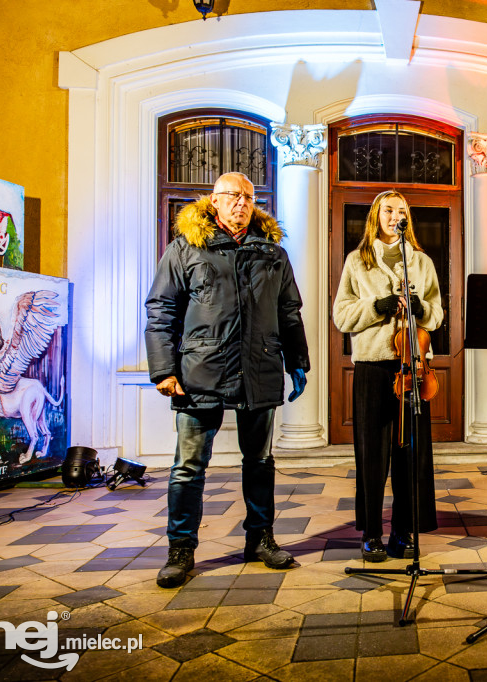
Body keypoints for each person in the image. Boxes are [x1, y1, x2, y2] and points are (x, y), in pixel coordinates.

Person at [145, 172, 310, 588]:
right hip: (199, 373)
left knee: (259, 462)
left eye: (248, 197)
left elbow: (290, 312)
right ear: (214, 201)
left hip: (260, 368)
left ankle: (260, 539)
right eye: (233, 196)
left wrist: (298, 361)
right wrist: (163, 370)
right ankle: (180, 549)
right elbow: (161, 310)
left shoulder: (272, 254)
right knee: (189, 466)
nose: (241, 203)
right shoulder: (185, 249)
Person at [332, 190, 444, 562]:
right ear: (376, 215)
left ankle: (403, 530)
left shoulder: (421, 261)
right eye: (388, 209)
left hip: (412, 366)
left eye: (401, 210)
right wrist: (375, 306)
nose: (395, 215)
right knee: (373, 455)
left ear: (407, 217)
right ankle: (371, 533)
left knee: (410, 453)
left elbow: (437, 315)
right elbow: (341, 316)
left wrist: (421, 307)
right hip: (373, 366)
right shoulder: (357, 261)